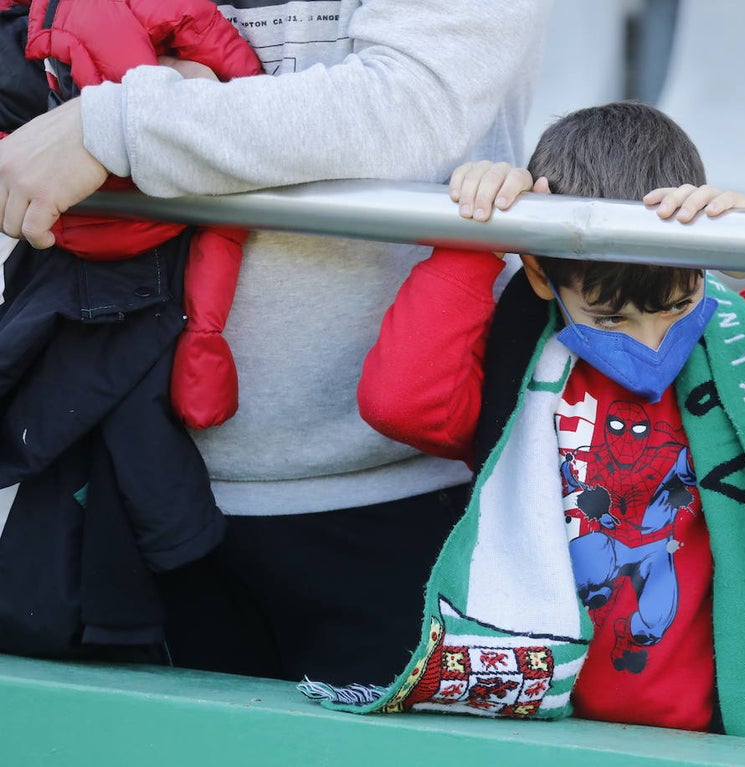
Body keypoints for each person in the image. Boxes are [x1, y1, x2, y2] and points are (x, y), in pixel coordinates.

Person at [300, 102, 745, 752]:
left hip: (715, 732)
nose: (651, 341)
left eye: (677, 305)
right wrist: (476, 238)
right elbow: (402, 402)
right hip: (542, 725)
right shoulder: (516, 352)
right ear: (540, 273)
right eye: (611, 319)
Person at [0, 0, 550, 684]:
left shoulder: (118, 121)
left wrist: (113, 124)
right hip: (135, 470)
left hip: (406, 493)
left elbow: (411, 106)